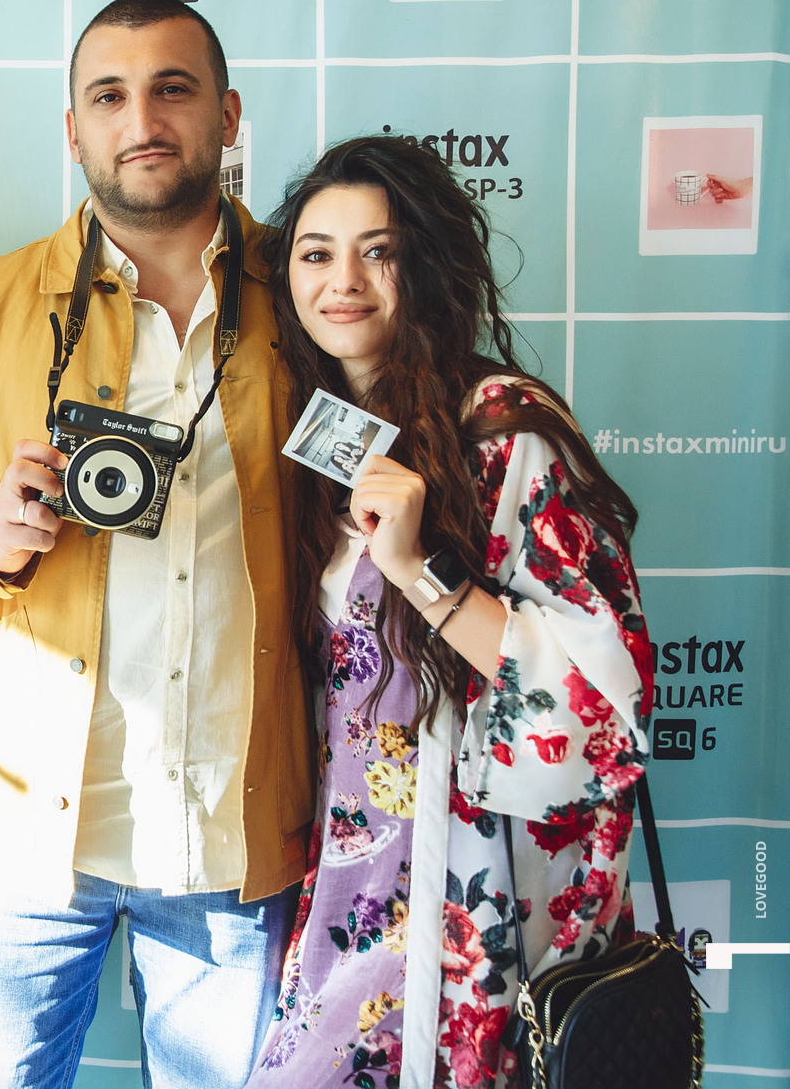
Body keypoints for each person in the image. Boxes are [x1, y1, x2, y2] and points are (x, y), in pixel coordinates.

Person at [0, 0, 312, 1088]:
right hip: (28, 833)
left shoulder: (313, 296)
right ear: (73, 129)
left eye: (173, 89)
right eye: (110, 97)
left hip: (236, 827)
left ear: (228, 114)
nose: (144, 121)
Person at [245, 135, 654, 1089]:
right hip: (354, 872)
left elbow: (597, 701)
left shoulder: (501, 428)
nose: (343, 281)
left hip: (474, 881)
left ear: (426, 265)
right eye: (316, 253)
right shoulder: (317, 434)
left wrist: (417, 570)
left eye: (378, 252)